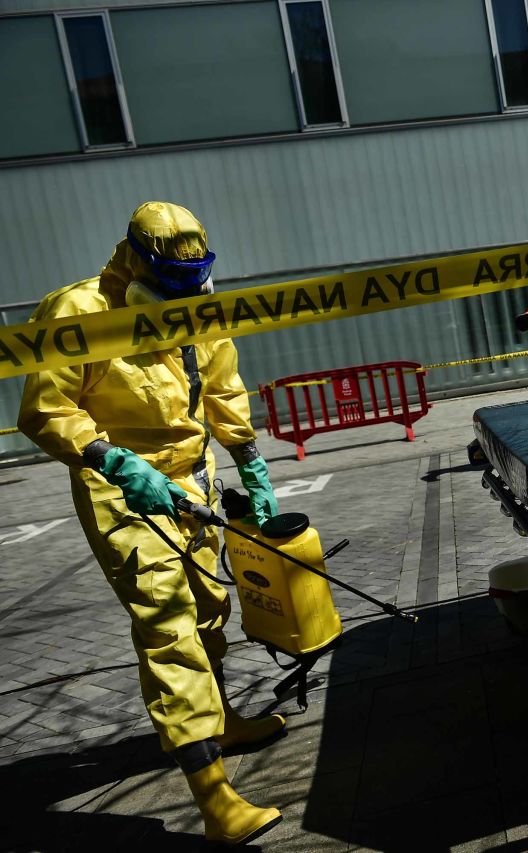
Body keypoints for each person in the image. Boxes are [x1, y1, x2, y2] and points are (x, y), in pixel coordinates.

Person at [18, 202, 285, 846]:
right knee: (169, 626)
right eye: (170, 277)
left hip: (194, 479)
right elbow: (45, 407)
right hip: (123, 489)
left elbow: (222, 388)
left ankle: (219, 719)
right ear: (137, 257)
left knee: (210, 606)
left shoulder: (196, 302)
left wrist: (251, 466)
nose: (183, 291)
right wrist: (114, 461)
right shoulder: (77, 311)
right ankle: (213, 796)